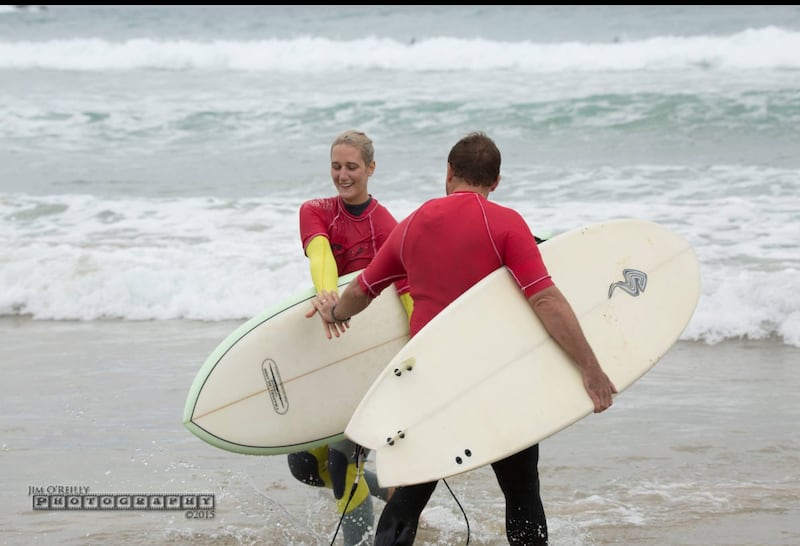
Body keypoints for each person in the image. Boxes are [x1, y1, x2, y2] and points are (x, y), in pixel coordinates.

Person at [307, 131, 618, 545]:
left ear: (449, 173)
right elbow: (545, 299)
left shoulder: (413, 223)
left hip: (430, 384)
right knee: (522, 495)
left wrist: (333, 311)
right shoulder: (507, 224)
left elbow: (363, 292)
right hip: (495, 382)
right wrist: (591, 369)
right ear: (496, 181)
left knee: (409, 499)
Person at [289, 129, 414, 546]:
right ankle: (396, 496)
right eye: (336, 166)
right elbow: (320, 254)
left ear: (371, 169)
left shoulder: (385, 225)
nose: (342, 175)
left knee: (343, 461)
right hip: (326, 345)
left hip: (365, 359)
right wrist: (329, 296)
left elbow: (407, 292)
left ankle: (358, 540)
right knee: (305, 464)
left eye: (352, 167)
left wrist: (421, 347)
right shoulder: (315, 210)